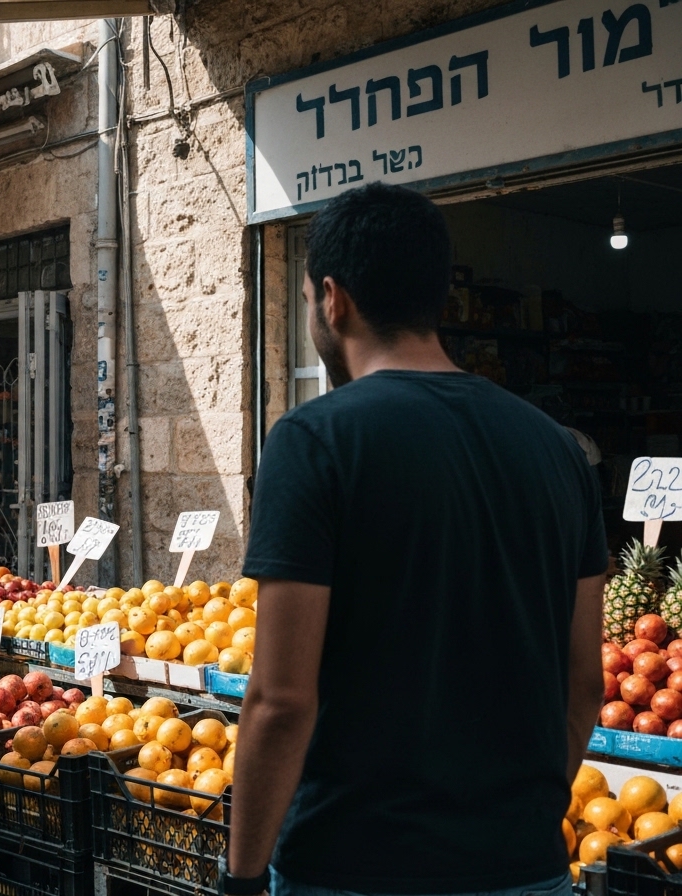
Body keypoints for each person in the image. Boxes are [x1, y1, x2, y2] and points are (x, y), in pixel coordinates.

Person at [226, 183, 607, 896]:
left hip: (354, 868)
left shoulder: (315, 440)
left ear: (331, 300)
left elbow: (281, 699)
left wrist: (242, 880)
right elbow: (585, 685)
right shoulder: (560, 452)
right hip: (528, 870)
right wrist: (516, 822)